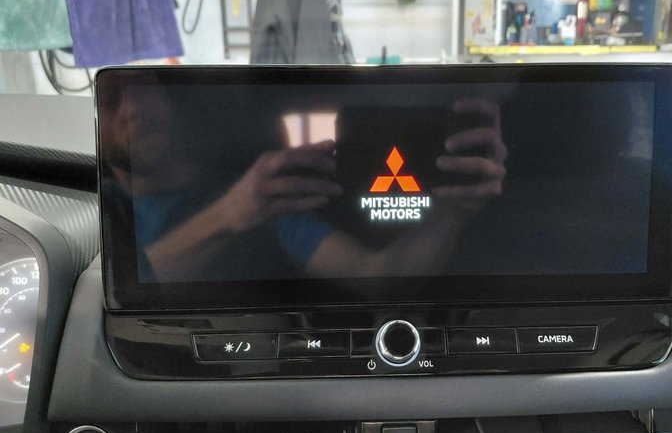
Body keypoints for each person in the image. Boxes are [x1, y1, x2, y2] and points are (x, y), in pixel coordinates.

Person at [102, 84, 507, 284]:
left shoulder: (266, 197)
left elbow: (379, 275)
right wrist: (228, 215)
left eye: (142, 88)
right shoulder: (92, 209)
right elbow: (126, 288)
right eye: (109, 99)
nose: (132, 110)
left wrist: (453, 210)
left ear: (171, 99)